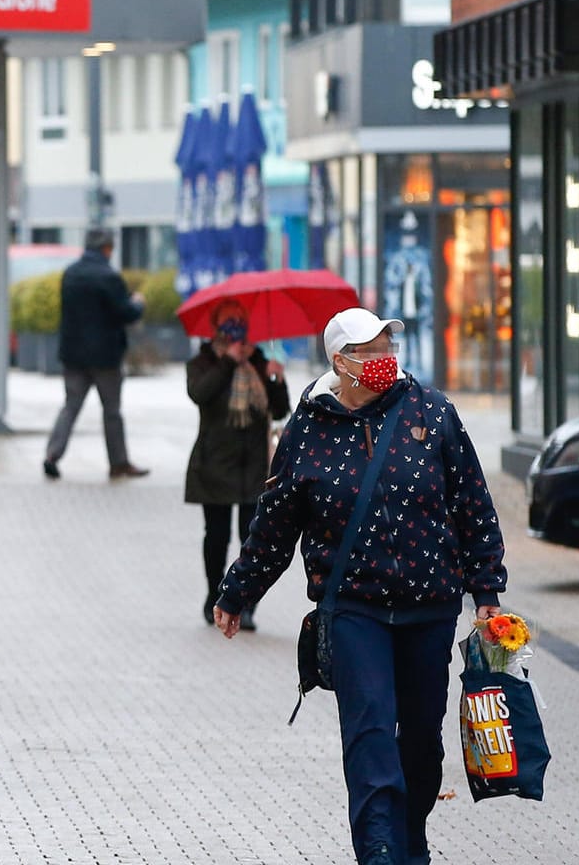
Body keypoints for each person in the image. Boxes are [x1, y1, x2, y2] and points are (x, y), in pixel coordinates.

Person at [213, 307, 507, 865]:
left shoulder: (432, 412)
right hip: (353, 608)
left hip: (430, 605)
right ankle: (379, 853)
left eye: (385, 346)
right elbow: (275, 522)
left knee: (421, 744)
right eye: (368, 351)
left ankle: (409, 837)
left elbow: (473, 504)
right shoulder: (308, 426)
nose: (382, 360)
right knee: (370, 739)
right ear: (339, 362)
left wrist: (486, 590)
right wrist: (237, 591)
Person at [183, 299, 289, 629]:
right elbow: (200, 394)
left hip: (253, 466)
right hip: (214, 464)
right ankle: (213, 596)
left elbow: (280, 409)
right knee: (215, 536)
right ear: (216, 326)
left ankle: (244, 603)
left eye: (239, 321)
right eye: (227, 321)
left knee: (251, 538)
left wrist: (276, 380)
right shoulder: (202, 362)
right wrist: (228, 362)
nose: (234, 328)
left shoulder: (258, 360)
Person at [43, 228, 149, 480]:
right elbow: (126, 312)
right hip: (105, 359)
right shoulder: (108, 276)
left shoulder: (70, 274)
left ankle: (51, 455)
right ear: (107, 248)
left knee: (70, 407)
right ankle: (118, 463)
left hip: (73, 357)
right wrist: (138, 302)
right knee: (111, 411)